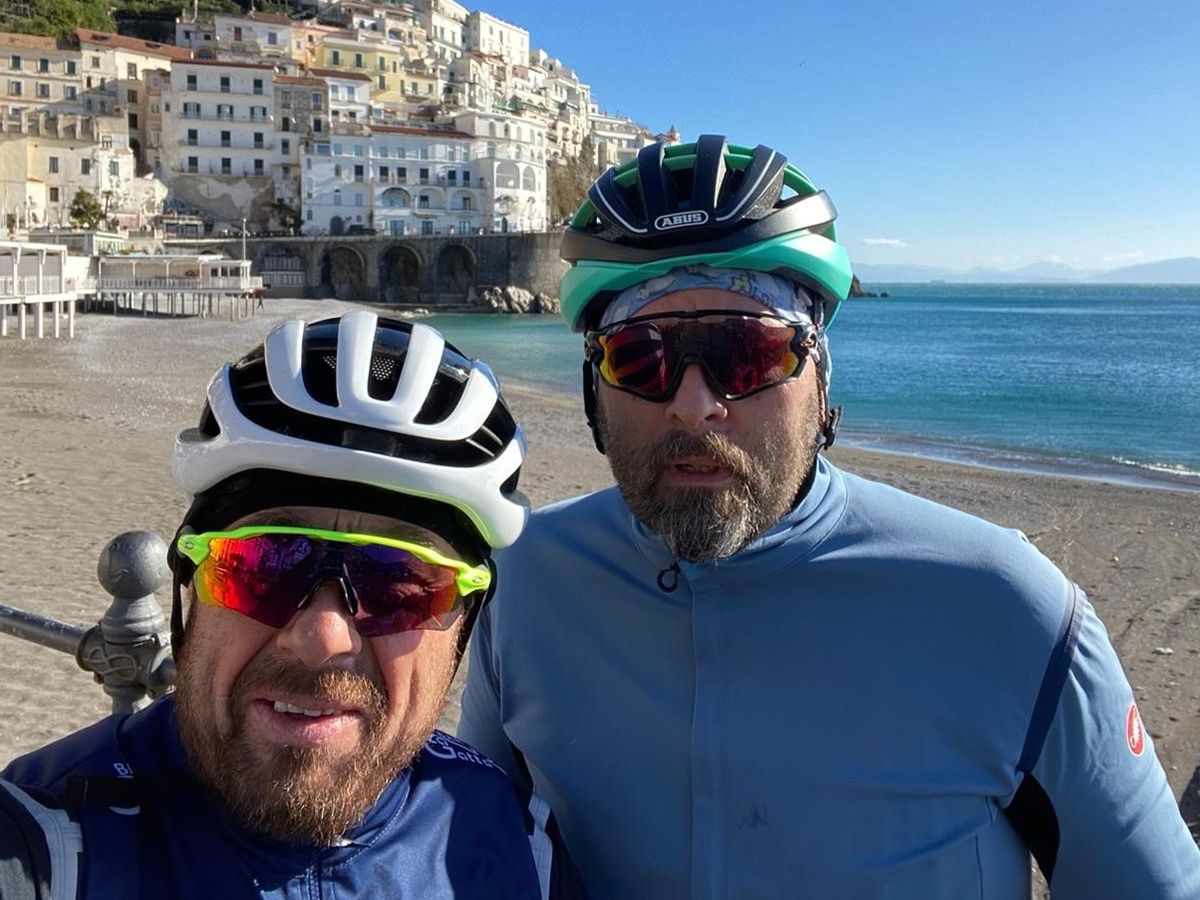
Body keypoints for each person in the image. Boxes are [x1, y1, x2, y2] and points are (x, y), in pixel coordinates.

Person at [459, 135, 1200, 898]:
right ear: (594, 388)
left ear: (820, 381)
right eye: (639, 357)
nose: (694, 404)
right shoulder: (523, 583)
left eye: (746, 354)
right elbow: (470, 850)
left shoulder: (1006, 606)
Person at [0, 311, 584, 898]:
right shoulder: (46, 841)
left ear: (463, 627)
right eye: (263, 565)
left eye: (400, 584)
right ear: (189, 587)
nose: (322, 638)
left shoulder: (520, 847)